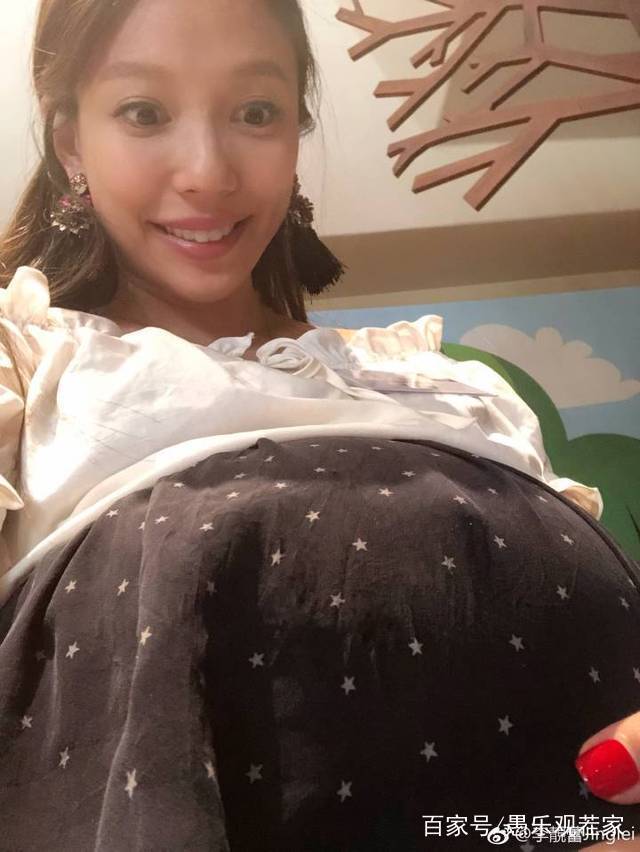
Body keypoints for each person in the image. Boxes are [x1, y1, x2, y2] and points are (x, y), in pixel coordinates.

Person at [0, 1, 638, 849]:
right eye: (144, 112)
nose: (208, 173)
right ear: (70, 141)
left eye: (255, 111)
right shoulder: (25, 367)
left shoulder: (455, 384)